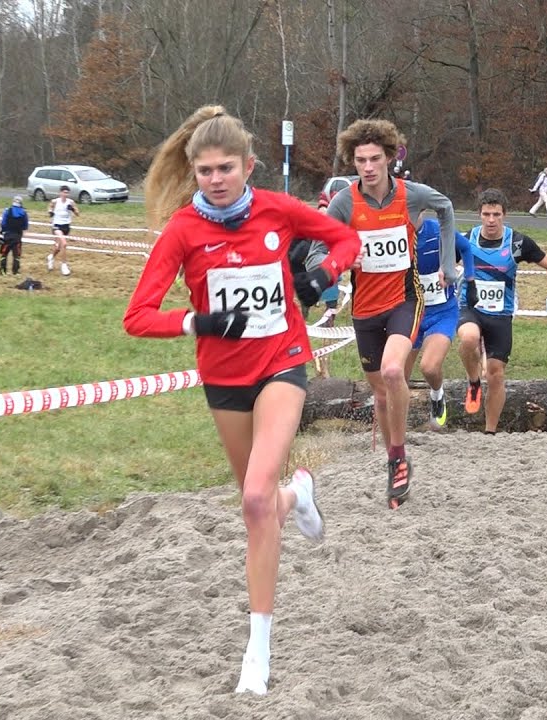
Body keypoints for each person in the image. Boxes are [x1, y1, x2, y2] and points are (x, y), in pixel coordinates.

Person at [124, 105, 359, 697]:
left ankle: (258, 647)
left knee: (254, 498)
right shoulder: (183, 230)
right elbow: (137, 317)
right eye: (203, 171)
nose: (215, 179)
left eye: (225, 167)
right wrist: (199, 322)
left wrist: (322, 275)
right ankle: (297, 493)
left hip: (281, 362)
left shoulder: (278, 209)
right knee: (260, 504)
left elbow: (346, 238)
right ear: (193, 171)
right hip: (224, 378)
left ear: (249, 166)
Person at [324, 118, 458, 509]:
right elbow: (320, 247)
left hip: (404, 300)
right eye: (360, 160)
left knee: (394, 372)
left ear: (390, 159)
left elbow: (446, 208)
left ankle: (399, 457)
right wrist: (341, 259)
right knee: (381, 395)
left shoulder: (411, 196)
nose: (367, 167)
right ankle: (393, 461)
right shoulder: (344, 202)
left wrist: (448, 265)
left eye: (375, 159)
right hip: (364, 309)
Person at [458, 188, 547, 433]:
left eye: (497, 215)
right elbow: (442, 262)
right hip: (471, 307)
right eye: (486, 214)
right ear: (479, 215)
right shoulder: (466, 239)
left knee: (496, 374)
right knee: (468, 338)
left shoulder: (518, 242)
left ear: (505, 215)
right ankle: (472, 383)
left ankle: (490, 431)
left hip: (501, 314)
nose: (491, 220)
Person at [405, 211, 474, 426]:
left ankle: (437, 395)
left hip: (441, 312)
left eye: (413, 210)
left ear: (422, 211)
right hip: (408, 314)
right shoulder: (396, 233)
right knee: (397, 377)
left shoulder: (437, 230)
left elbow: (466, 247)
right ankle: (398, 428)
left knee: (429, 367)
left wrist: (470, 280)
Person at [45, 186, 80, 276]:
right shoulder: (55, 201)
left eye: (67, 193)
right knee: (64, 244)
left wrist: (72, 209)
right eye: (64, 192)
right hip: (57, 226)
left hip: (66, 226)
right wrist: (50, 212)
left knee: (58, 247)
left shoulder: (71, 202)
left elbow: (77, 214)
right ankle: (64, 266)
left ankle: (51, 257)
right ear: (60, 193)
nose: (65, 194)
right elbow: (49, 208)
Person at [0, 195, 28, 275]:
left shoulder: (7, 211)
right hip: (17, 236)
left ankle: (2, 271)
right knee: (16, 255)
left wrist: (3, 230)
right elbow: (25, 226)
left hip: (7, 236)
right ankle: (15, 271)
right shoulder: (24, 213)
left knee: (4, 253)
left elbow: (3, 223)